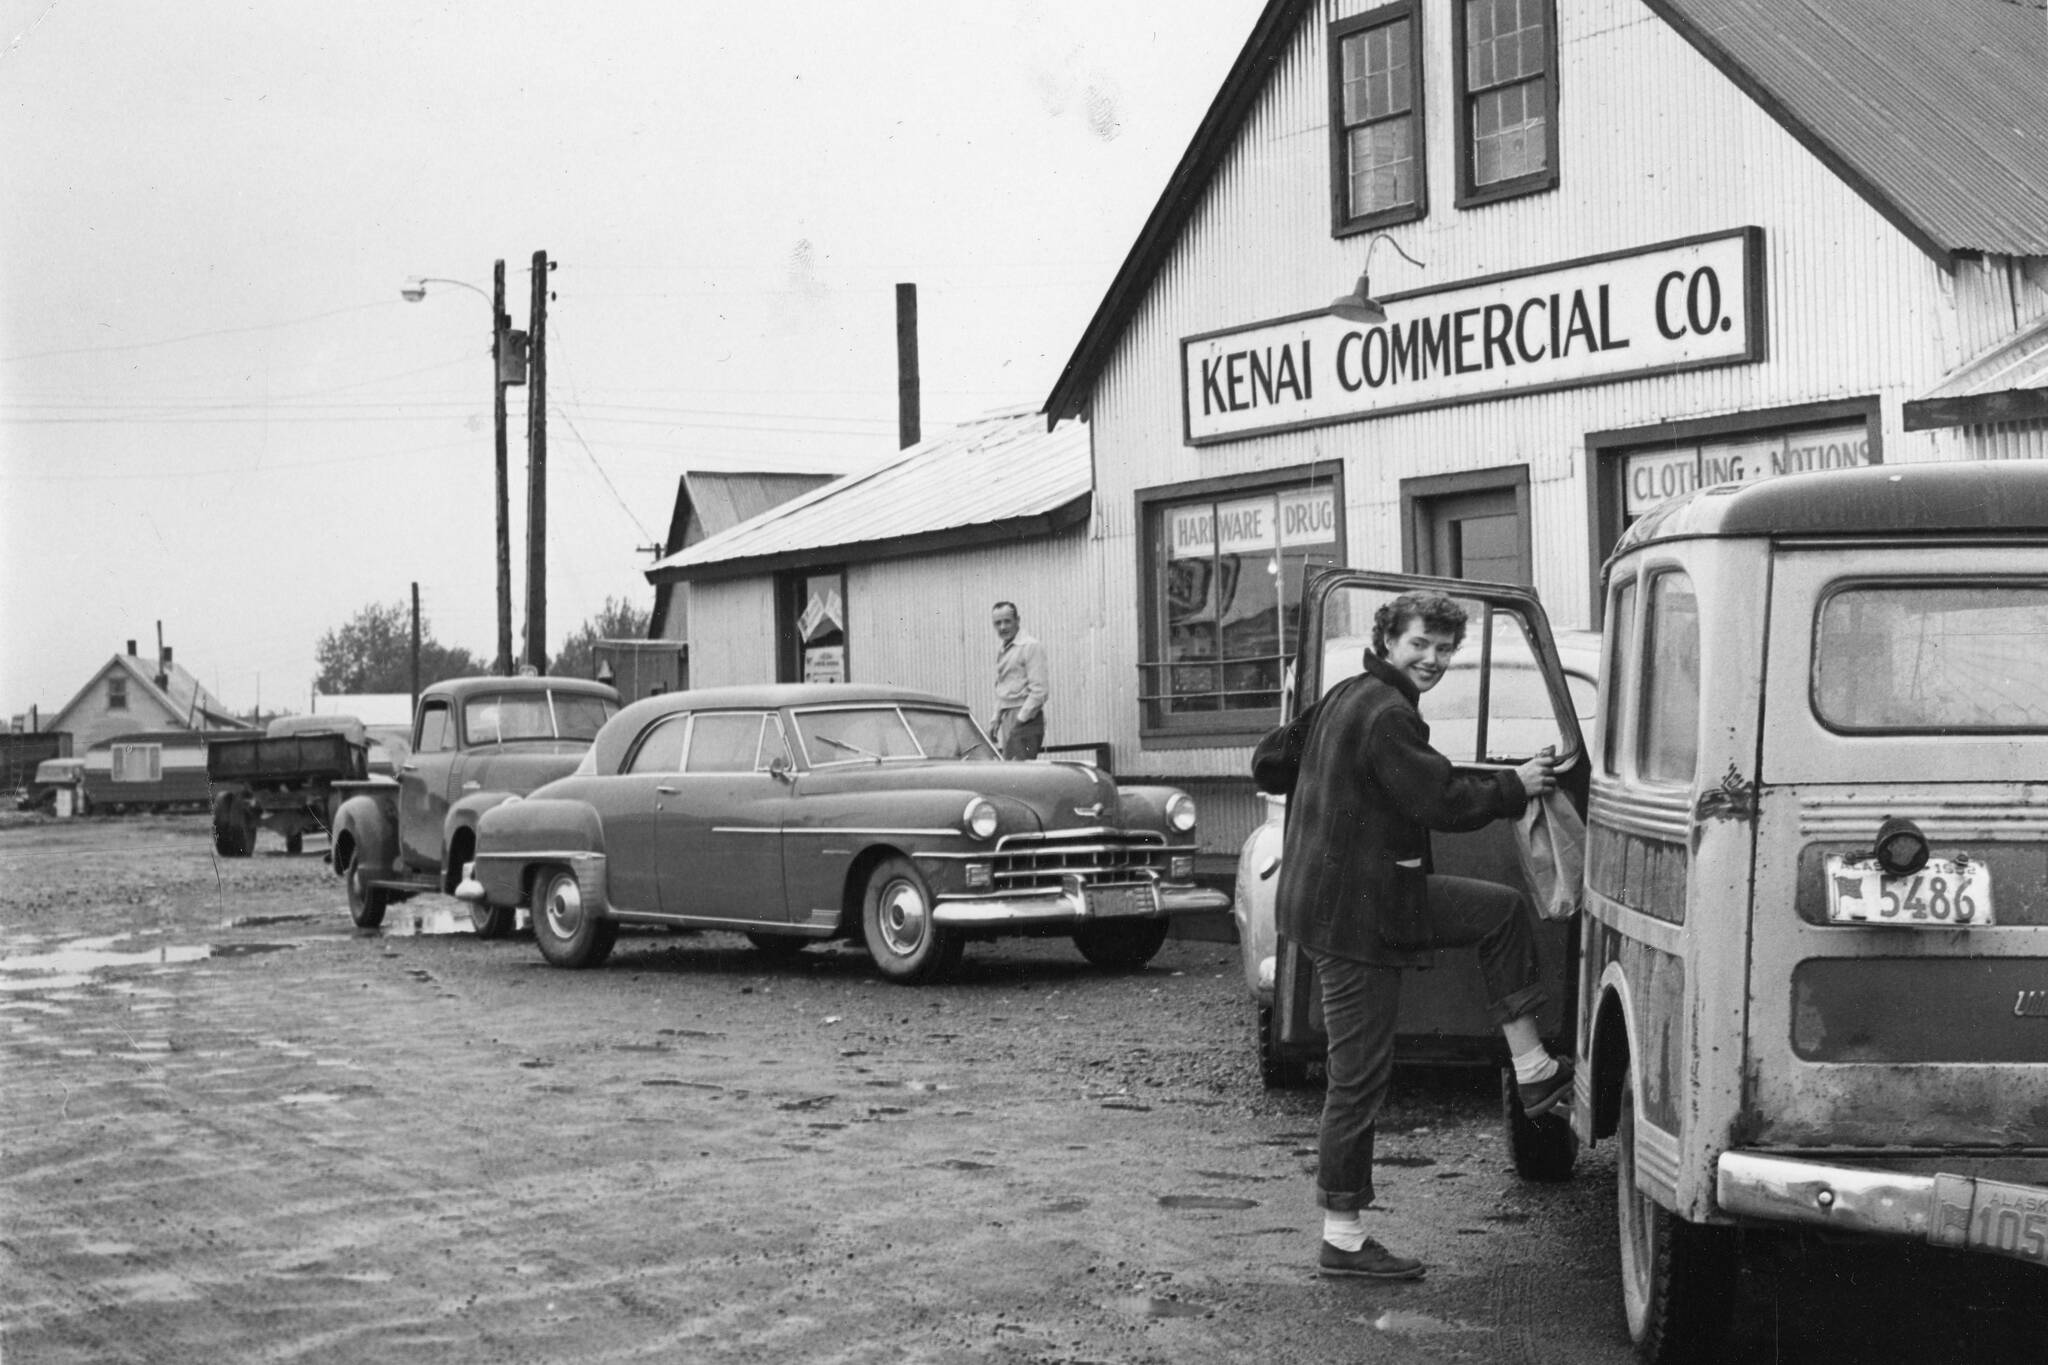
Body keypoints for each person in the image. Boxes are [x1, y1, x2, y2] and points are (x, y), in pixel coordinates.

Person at [1257, 591, 1567, 1281]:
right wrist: (1513, 785)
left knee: (1499, 911)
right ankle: (1341, 1236)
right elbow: (1441, 798)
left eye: (1444, 649)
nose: (1432, 659)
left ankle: (1534, 1068)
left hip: (1365, 898)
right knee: (1358, 1078)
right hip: (1358, 918)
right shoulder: (1388, 712)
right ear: (1388, 639)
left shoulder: (1349, 693)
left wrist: (1334, 789)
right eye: (1420, 644)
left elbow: (1267, 762)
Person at [987, 600, 1049, 760]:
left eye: (1007, 621)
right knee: (1010, 770)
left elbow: (1040, 692)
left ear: (1017, 620)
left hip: (1026, 718)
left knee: (1019, 773)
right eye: (998, 623)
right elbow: (1003, 686)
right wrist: (996, 719)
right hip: (1008, 717)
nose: (1003, 627)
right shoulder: (1003, 649)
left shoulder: (1030, 646)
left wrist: (1021, 720)